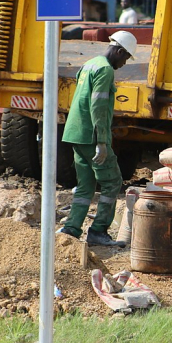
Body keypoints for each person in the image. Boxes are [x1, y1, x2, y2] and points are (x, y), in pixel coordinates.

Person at [58, 30, 137, 246]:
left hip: (75, 132)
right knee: (112, 182)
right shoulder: (105, 70)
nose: (124, 63)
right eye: (126, 58)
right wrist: (102, 142)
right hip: (91, 136)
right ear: (119, 51)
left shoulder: (90, 64)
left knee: (85, 185)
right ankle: (98, 232)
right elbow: (99, 107)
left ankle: (71, 229)